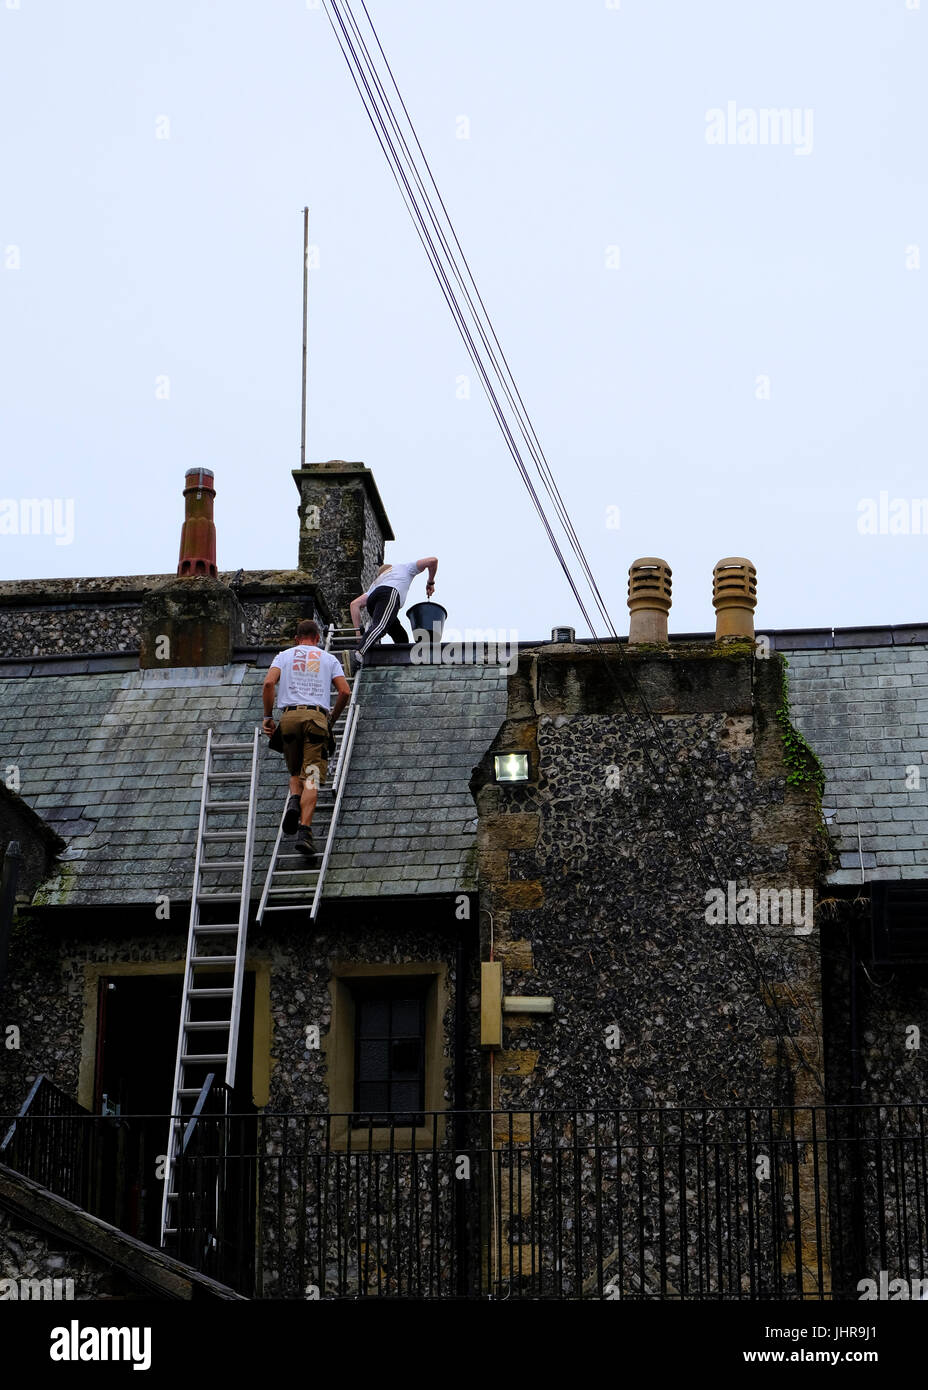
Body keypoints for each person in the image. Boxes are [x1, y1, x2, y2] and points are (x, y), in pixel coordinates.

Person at [261, 618, 350, 858]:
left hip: (289, 719)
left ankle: (294, 800)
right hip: (316, 719)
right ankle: (305, 832)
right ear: (318, 638)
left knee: (294, 772)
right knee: (310, 775)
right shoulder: (328, 659)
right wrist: (331, 719)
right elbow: (345, 691)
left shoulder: (284, 655)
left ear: (296, 639)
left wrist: (268, 717)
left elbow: (269, 683)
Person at [350, 555, 438, 667]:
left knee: (399, 633)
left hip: (373, 602)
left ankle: (404, 656)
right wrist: (430, 582)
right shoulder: (404, 568)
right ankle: (358, 655)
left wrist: (358, 634)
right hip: (389, 594)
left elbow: (354, 604)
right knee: (380, 626)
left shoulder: (377, 582)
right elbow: (433, 561)